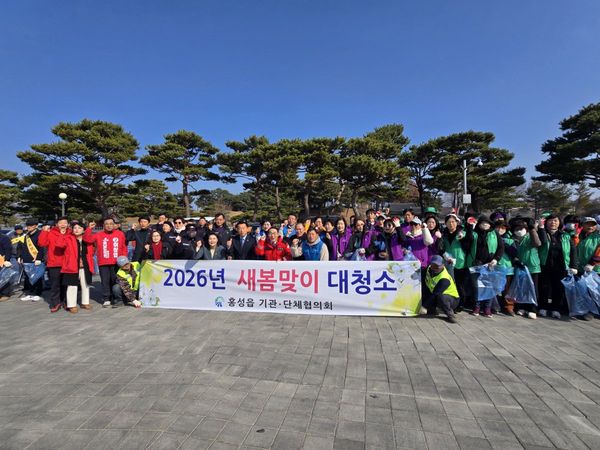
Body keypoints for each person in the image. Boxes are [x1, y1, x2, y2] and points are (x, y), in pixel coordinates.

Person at [538, 214, 578, 319]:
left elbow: (573, 251)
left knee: (558, 287)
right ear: (546, 222)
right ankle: (543, 307)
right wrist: (541, 228)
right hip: (545, 265)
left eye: (555, 220)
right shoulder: (542, 233)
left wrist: (574, 266)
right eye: (550, 220)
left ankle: (556, 309)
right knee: (544, 287)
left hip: (561, 266)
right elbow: (542, 242)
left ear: (559, 223)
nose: (553, 223)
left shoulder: (565, 235)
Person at [465, 215, 505, 316]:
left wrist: (496, 259)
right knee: (476, 287)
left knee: (489, 286)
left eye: (487, 223)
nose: (485, 224)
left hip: (490, 264)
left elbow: (501, 247)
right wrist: (470, 227)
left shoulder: (494, 233)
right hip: (475, 263)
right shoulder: (474, 232)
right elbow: (467, 243)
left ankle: (487, 308)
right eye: (483, 223)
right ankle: (477, 307)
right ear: (479, 224)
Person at [84, 217, 128, 308]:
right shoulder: (98, 234)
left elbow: (124, 247)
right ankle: (106, 298)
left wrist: (124, 260)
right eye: (107, 224)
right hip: (103, 263)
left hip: (117, 263)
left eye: (111, 224)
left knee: (115, 281)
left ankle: (116, 298)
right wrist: (89, 228)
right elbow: (87, 239)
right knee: (105, 281)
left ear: (114, 225)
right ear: (103, 225)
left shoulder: (120, 234)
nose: (109, 225)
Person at [56, 220, 95, 313]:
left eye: (79, 228)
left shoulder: (86, 239)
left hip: (85, 265)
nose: (77, 230)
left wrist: (89, 229)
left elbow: (92, 242)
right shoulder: (68, 238)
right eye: (75, 228)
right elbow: (59, 244)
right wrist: (61, 234)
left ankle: (85, 302)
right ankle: (71, 305)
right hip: (72, 265)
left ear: (83, 230)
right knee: (72, 286)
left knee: (85, 285)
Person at [510, 218, 542, 319]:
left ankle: (533, 309)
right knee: (521, 288)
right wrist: (516, 260)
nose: (519, 231)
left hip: (532, 267)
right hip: (520, 267)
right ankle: (521, 306)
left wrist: (532, 229)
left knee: (532, 288)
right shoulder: (512, 239)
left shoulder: (530, 236)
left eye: (521, 228)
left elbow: (537, 243)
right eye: (516, 229)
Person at [38, 217, 71, 312]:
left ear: (68, 224)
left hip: (67, 263)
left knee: (66, 284)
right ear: (56, 224)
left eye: (65, 223)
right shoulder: (51, 233)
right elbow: (41, 243)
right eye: (60, 223)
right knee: (55, 285)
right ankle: (55, 303)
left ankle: (65, 301)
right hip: (54, 263)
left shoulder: (71, 233)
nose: (63, 224)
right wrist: (44, 232)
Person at [440, 214, 470, 311]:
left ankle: (461, 304)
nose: (451, 224)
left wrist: (463, 239)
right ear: (445, 223)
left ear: (457, 223)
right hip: (448, 262)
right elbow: (441, 247)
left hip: (460, 262)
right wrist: (445, 255)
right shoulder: (444, 234)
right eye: (449, 222)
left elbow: (467, 246)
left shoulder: (462, 233)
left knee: (460, 285)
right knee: (451, 284)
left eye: (453, 222)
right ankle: (452, 303)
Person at [422, 255, 459, 323]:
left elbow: (436, 293)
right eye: (433, 266)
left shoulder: (445, 278)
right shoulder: (429, 269)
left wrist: (424, 306)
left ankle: (450, 314)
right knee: (425, 290)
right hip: (434, 291)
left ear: (442, 265)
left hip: (452, 299)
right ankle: (432, 310)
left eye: (437, 266)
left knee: (441, 297)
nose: (434, 268)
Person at [17, 219, 45, 302]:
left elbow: (42, 247)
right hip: (26, 260)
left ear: (36, 226)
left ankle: (38, 294)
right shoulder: (26, 235)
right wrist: (19, 256)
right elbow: (20, 247)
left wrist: (39, 258)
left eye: (31, 225)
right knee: (28, 277)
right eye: (28, 225)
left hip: (36, 260)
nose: (29, 227)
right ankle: (30, 293)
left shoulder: (40, 234)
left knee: (37, 277)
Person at [0, 232, 13, 302]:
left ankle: (5, 294)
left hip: (2, 261)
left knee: (4, 277)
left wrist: (7, 260)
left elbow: (8, 249)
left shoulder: (4, 238)